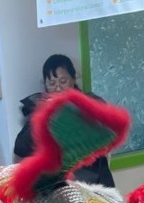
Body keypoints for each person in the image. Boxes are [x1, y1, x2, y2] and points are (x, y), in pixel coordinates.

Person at [13, 54, 116, 188]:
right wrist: (44, 117)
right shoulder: (40, 110)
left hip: (93, 180)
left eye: (63, 81)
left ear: (73, 79)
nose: (57, 88)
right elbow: (21, 148)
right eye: (52, 83)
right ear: (45, 85)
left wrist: (69, 109)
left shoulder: (90, 101)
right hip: (58, 184)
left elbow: (107, 127)